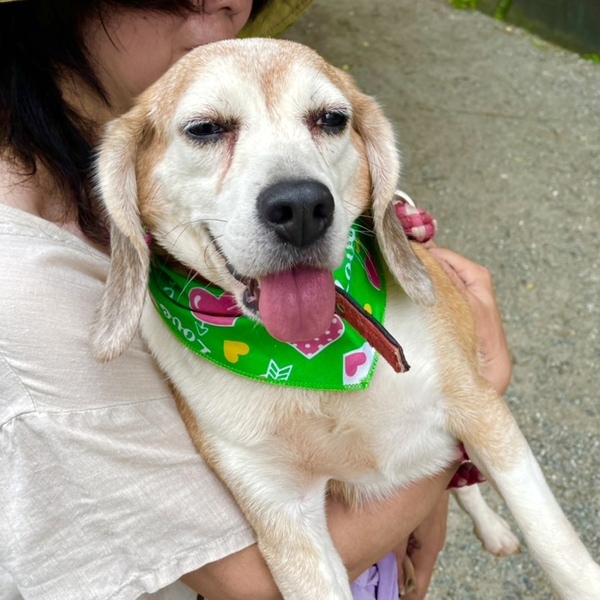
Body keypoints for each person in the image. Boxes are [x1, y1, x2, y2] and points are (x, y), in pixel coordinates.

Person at [0, 1, 512, 599]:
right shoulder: (23, 281)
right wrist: (467, 409)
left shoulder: (209, 149)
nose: (230, 2)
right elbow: (250, 582)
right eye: (207, 129)